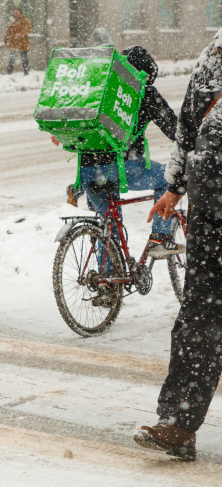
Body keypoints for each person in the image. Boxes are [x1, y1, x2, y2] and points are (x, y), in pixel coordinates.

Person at [134, 30, 222, 461]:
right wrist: (173, 187)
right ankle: (179, 425)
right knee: (197, 322)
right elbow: (187, 132)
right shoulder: (211, 58)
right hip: (209, 218)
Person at [54, 46, 181, 264]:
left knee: (108, 229)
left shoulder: (101, 90)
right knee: (168, 178)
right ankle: (159, 238)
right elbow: (174, 130)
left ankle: (108, 281)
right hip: (123, 168)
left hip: (88, 171)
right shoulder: (144, 91)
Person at [4, 8, 32, 75]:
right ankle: (9, 72)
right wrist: (6, 40)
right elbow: (9, 31)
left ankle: (26, 72)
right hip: (14, 42)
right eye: (14, 12)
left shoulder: (25, 20)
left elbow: (28, 29)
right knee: (12, 58)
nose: (15, 14)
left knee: (24, 58)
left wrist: (20, 34)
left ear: (20, 13)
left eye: (17, 12)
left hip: (23, 42)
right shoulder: (12, 21)